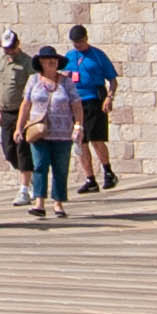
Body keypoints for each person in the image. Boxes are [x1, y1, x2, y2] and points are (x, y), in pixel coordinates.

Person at [11, 51, 76, 222]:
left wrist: (79, 125)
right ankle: (39, 202)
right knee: (40, 165)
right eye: (47, 60)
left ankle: (58, 203)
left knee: (60, 168)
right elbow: (26, 105)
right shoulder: (33, 80)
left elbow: (76, 104)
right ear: (41, 62)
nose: (51, 62)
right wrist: (19, 128)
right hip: (39, 131)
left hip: (62, 133)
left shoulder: (66, 82)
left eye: (54, 60)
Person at [62, 26, 120, 194]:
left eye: (80, 42)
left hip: (94, 100)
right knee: (80, 140)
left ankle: (107, 171)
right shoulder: (69, 56)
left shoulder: (98, 55)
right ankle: (90, 179)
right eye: (75, 43)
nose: (78, 45)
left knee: (96, 138)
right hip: (75, 103)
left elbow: (113, 80)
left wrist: (109, 97)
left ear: (86, 39)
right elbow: (64, 76)